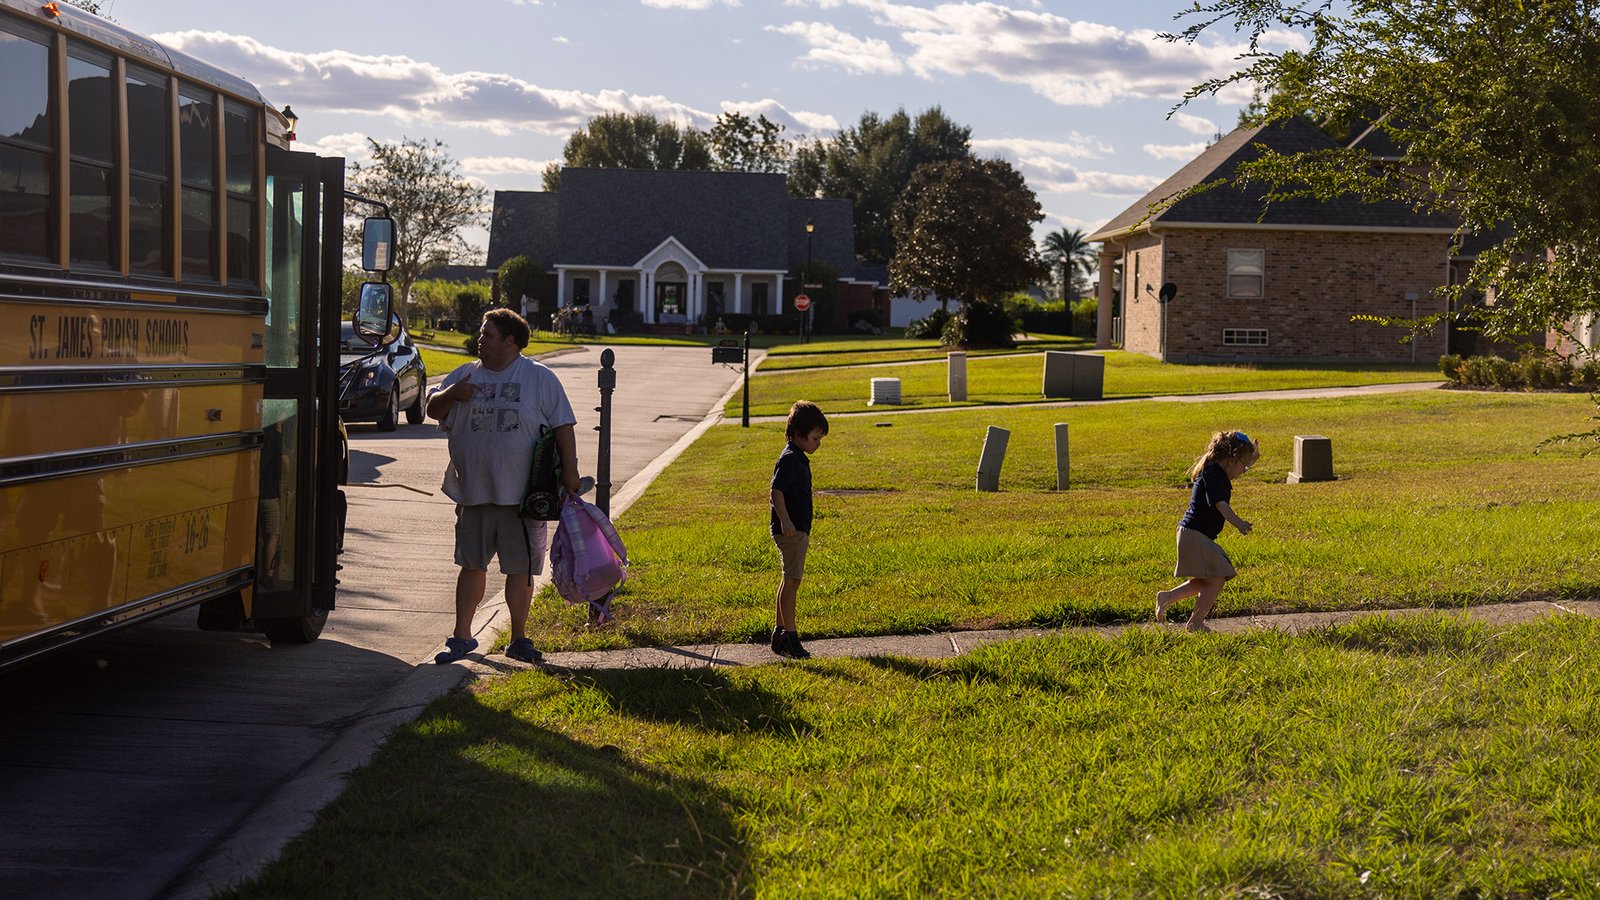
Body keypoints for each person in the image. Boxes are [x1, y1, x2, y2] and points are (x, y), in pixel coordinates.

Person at [426, 308, 581, 665]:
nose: (480, 340)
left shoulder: (538, 377)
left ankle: (519, 639)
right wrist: (452, 393)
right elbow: (433, 409)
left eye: (488, 334)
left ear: (510, 341)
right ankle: (462, 637)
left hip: (523, 497)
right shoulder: (464, 374)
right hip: (474, 493)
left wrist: (570, 472)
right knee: (471, 564)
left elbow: (563, 425)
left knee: (520, 569)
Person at [1156, 430, 1259, 633]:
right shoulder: (1214, 476)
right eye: (1243, 465)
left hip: (1191, 534)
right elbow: (1221, 504)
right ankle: (1196, 622)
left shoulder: (1215, 471)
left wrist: (1251, 462)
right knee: (1217, 579)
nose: (1243, 470)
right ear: (1231, 459)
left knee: (1207, 580)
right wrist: (1238, 523)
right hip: (1194, 536)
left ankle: (1168, 597)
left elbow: (1232, 475)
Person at [769, 400, 829, 658]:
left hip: (796, 530)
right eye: (815, 438)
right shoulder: (791, 459)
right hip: (791, 531)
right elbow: (776, 491)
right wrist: (786, 521)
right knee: (792, 582)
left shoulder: (796, 456)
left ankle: (780, 631)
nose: (818, 443)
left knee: (788, 580)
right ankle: (790, 636)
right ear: (798, 435)